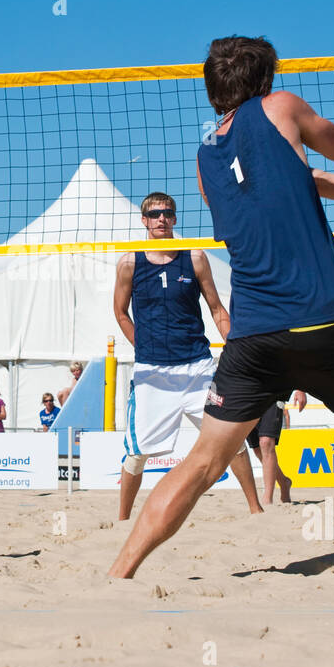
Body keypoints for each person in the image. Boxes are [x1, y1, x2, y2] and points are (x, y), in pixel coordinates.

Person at [109, 35, 334, 578]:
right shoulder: (282, 107)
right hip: (328, 314)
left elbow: (308, 181)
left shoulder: (205, 159)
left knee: (201, 461)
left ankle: (120, 573)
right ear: (265, 77)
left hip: (254, 335)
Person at [113, 192, 262, 520]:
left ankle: (256, 509)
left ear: (175, 219)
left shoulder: (194, 256)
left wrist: (238, 347)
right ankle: (122, 520)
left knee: (230, 439)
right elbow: (120, 312)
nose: (161, 219)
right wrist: (142, 344)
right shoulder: (129, 262)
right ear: (144, 221)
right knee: (137, 455)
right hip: (153, 371)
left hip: (197, 366)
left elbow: (216, 307)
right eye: (154, 214)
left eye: (167, 213)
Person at [247, 393, 306, 505]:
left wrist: (301, 389)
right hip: (246, 394)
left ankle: (267, 499)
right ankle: (284, 482)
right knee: (257, 449)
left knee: (266, 442)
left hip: (273, 393)